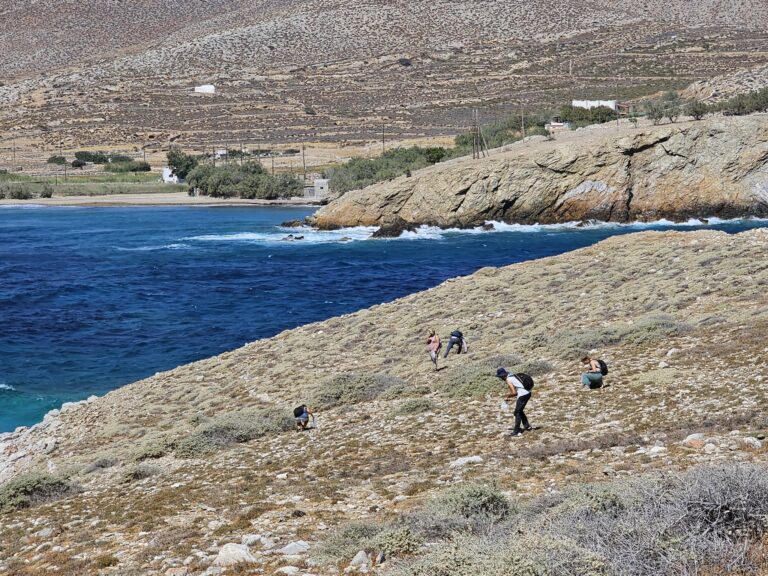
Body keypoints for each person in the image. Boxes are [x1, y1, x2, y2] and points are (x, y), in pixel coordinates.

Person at [496, 367, 532, 437]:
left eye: (500, 377)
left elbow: (514, 392)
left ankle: (516, 431)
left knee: (517, 412)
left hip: (523, 395)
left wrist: (507, 396)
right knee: (520, 411)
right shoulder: (511, 375)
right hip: (528, 393)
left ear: (502, 376)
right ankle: (527, 426)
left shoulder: (508, 379)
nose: (500, 379)